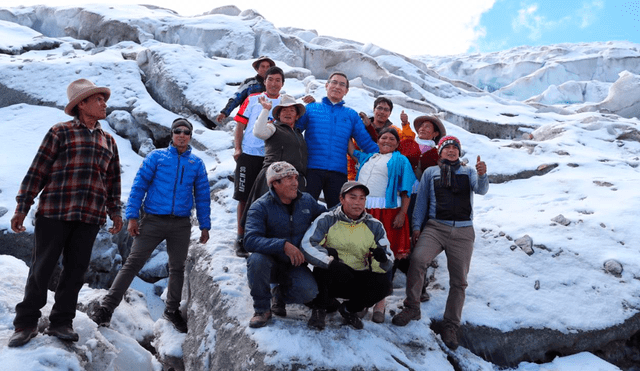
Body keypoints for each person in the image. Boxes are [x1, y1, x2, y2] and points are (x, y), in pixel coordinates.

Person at [8, 78, 123, 347]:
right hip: (55, 212)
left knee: (75, 271)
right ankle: (25, 323)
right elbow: (37, 171)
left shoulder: (109, 141)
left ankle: (61, 322)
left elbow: (113, 181)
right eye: (98, 99)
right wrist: (22, 207)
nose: (104, 103)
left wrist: (115, 211)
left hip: (89, 217)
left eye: (103, 99)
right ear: (81, 104)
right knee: (41, 269)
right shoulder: (60, 132)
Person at [89, 118, 211, 334]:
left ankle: (171, 311)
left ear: (190, 136)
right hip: (153, 219)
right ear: (172, 134)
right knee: (133, 263)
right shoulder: (157, 157)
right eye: (177, 131)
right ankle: (107, 308)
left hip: (181, 224)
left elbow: (202, 196)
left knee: (177, 268)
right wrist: (132, 217)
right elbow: (139, 186)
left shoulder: (196, 164)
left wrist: (204, 225)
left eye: (186, 132)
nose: (181, 135)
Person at [391, 136, 489, 351]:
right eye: (447, 148)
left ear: (459, 152)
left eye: (455, 148)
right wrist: (417, 227)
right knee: (417, 260)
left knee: (459, 281)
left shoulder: (469, 171)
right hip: (436, 227)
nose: (451, 151)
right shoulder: (430, 172)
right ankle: (412, 307)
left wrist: (482, 175)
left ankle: (451, 325)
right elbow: (422, 202)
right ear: (440, 152)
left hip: (463, 230)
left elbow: (481, 190)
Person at [301, 181, 394, 330]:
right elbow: (307, 244)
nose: (357, 203)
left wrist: (382, 259)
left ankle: (349, 309)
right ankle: (319, 309)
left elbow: (388, 256)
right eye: (353, 197)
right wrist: (330, 263)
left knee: (384, 285)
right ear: (341, 199)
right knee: (327, 258)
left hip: (357, 276)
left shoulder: (375, 225)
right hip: (332, 276)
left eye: (362, 198)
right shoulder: (327, 219)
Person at [244, 162, 327, 328]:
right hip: (270, 263)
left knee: (309, 292)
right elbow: (250, 240)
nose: (295, 182)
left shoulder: (307, 201)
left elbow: (325, 218)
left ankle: (279, 295)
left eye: (296, 177)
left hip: (295, 264)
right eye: (289, 178)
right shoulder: (260, 207)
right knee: (256, 260)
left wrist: (347, 208)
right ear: (275, 183)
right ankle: (262, 309)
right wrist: (283, 245)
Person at [348, 127, 416, 323]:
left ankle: (380, 304)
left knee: (384, 258)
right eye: (383, 137)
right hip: (364, 211)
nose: (386, 140)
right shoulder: (368, 157)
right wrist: (348, 125)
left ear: (397, 143)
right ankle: (362, 301)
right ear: (378, 140)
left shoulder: (400, 160)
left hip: (388, 211)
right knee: (362, 256)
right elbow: (352, 150)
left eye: (391, 139)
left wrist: (402, 213)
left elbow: (406, 191)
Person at [295, 72, 379, 208]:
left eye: (342, 84)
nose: (337, 86)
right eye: (334, 82)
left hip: (338, 171)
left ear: (346, 91)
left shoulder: (351, 115)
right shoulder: (311, 109)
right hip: (311, 169)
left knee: (337, 212)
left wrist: (386, 156)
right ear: (327, 85)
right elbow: (293, 131)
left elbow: (366, 143)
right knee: (304, 210)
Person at [232, 66, 284, 258]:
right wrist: (238, 148)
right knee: (243, 197)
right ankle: (240, 237)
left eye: (278, 80)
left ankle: (260, 237)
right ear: (265, 81)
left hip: (271, 157)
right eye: (270, 79)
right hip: (249, 154)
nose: (274, 83)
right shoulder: (252, 99)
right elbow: (240, 124)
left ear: (282, 83)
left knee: (267, 198)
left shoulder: (285, 103)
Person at [239, 94, 308, 228]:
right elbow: (259, 132)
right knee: (268, 217)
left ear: (297, 115)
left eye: (292, 110)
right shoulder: (273, 128)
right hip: (274, 179)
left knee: (289, 219)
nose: (288, 113)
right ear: (278, 115)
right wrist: (265, 110)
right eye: (284, 110)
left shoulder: (299, 134)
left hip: (294, 181)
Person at [398, 115, 447, 302]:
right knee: (400, 235)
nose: (424, 128)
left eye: (429, 127)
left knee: (419, 240)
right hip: (402, 196)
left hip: (423, 199)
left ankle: (421, 286)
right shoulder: (406, 144)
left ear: (435, 133)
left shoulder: (439, 153)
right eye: (422, 126)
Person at [347, 97, 415, 180]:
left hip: (381, 176)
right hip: (354, 173)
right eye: (379, 108)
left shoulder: (394, 131)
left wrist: (405, 124)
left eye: (386, 109)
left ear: (390, 113)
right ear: (374, 110)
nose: (382, 112)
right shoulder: (361, 127)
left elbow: (408, 142)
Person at [215, 56, 275, 125]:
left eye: (268, 67)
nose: (265, 69)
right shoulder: (249, 83)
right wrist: (224, 113)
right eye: (263, 67)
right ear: (257, 69)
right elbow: (236, 98)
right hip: (248, 120)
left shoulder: (274, 84)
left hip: (267, 121)